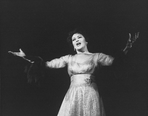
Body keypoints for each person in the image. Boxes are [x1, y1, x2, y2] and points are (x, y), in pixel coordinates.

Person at [8, 29, 139, 116]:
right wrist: (25, 56)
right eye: (73, 39)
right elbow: (46, 64)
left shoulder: (96, 56)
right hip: (73, 95)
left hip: (91, 95)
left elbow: (115, 61)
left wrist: (128, 46)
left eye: (79, 37)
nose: (76, 40)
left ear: (86, 40)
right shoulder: (69, 58)